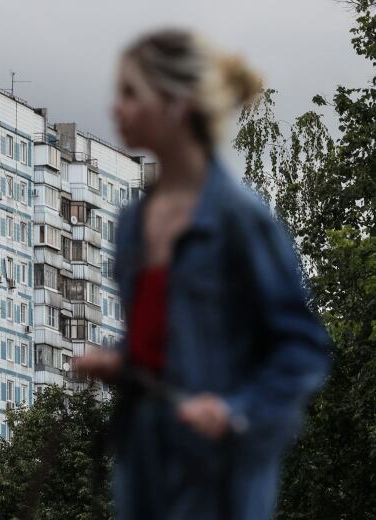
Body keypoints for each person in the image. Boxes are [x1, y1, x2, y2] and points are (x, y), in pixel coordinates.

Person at [75, 28, 331, 520]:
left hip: (217, 466)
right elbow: (164, 341)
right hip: (142, 449)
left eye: (131, 93)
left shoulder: (239, 219)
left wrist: (239, 411)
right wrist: (119, 361)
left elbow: (302, 345)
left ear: (177, 104)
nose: (116, 108)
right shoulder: (133, 222)